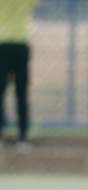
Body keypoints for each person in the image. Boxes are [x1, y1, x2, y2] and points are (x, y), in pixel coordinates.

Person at [0, 0, 39, 148]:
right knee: (21, 93)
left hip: (2, 43)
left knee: (0, 92)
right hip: (21, 44)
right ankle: (23, 137)